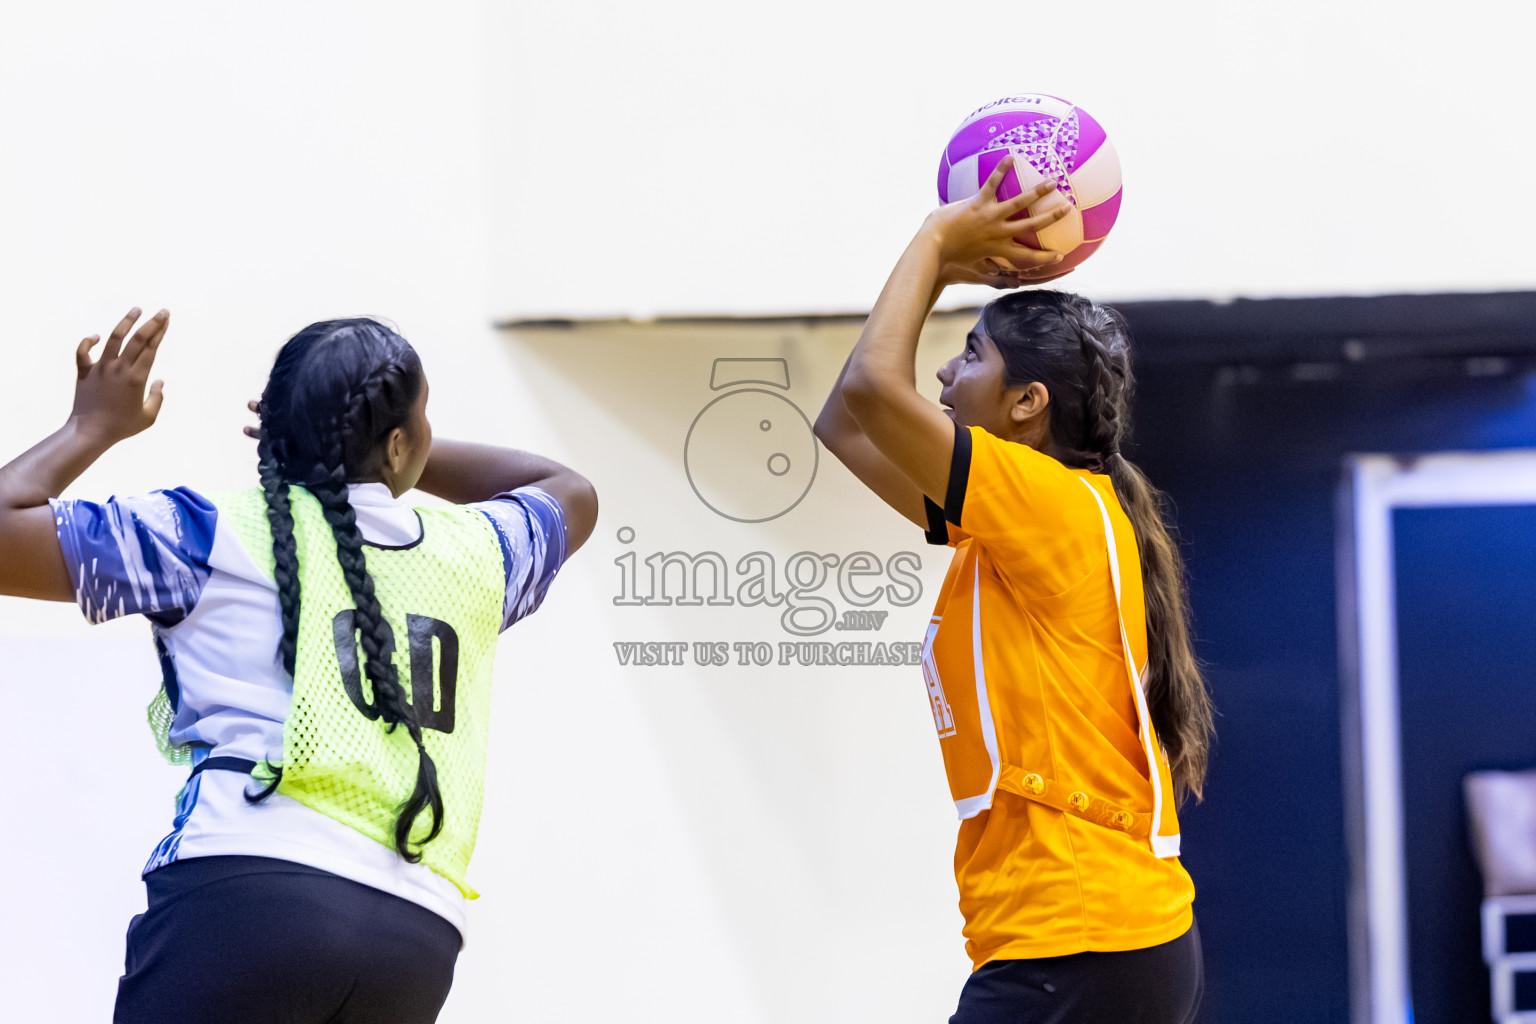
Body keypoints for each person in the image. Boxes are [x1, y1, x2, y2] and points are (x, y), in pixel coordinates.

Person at [0, 309, 597, 1023]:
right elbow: (567, 489)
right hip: (415, 937)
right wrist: (384, 443)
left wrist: (91, 428)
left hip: (246, 895)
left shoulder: (203, 533)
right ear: (402, 441)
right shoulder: (480, 554)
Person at [815, 157, 1211, 1023]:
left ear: (1027, 403)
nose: (946, 379)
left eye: (970, 355)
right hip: (1092, 942)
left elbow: (870, 391)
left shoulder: (1045, 504)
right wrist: (945, 270)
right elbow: (843, 424)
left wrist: (935, 242)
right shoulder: (1020, 519)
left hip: (1079, 940)